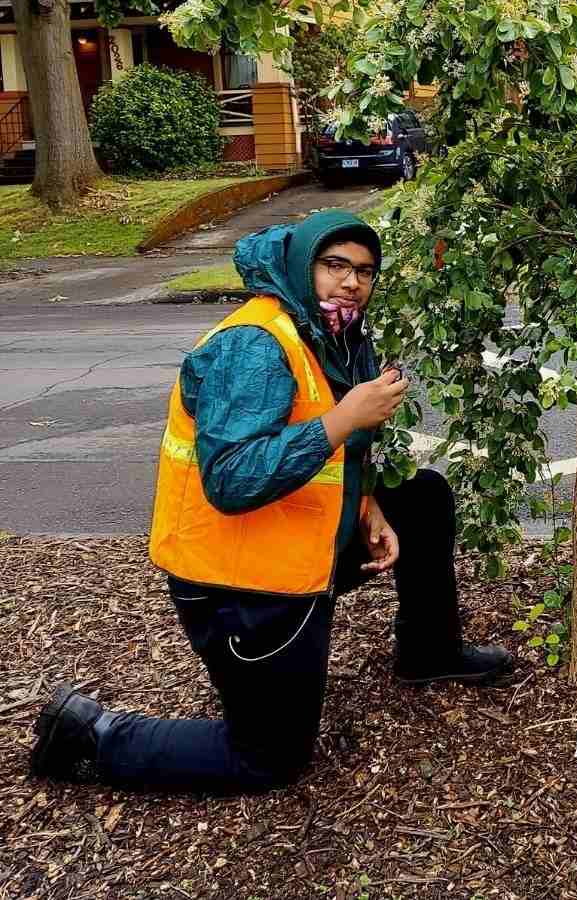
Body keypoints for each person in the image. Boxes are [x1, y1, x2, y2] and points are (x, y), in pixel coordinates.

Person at [30, 209, 514, 793]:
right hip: (237, 582)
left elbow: (342, 454)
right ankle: (91, 732)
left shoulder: (333, 334)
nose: (351, 282)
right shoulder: (255, 345)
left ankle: (428, 652)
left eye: (364, 270)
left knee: (422, 495)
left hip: (297, 537)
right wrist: (341, 420)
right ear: (299, 266)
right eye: (334, 265)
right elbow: (232, 479)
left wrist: (366, 506)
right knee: (269, 758)